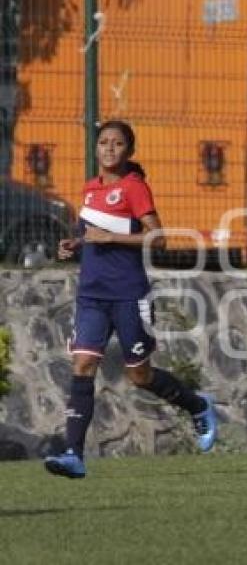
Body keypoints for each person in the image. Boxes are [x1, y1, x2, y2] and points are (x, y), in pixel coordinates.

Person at [44, 120, 217, 479]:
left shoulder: (135, 188)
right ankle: (74, 455)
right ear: (95, 148)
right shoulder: (90, 189)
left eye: (117, 143)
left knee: (140, 375)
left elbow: (159, 239)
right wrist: (76, 243)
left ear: (129, 151)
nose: (109, 148)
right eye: (103, 142)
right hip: (91, 295)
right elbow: (91, 231)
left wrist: (109, 238)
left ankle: (198, 406)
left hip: (128, 295)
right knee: (82, 367)